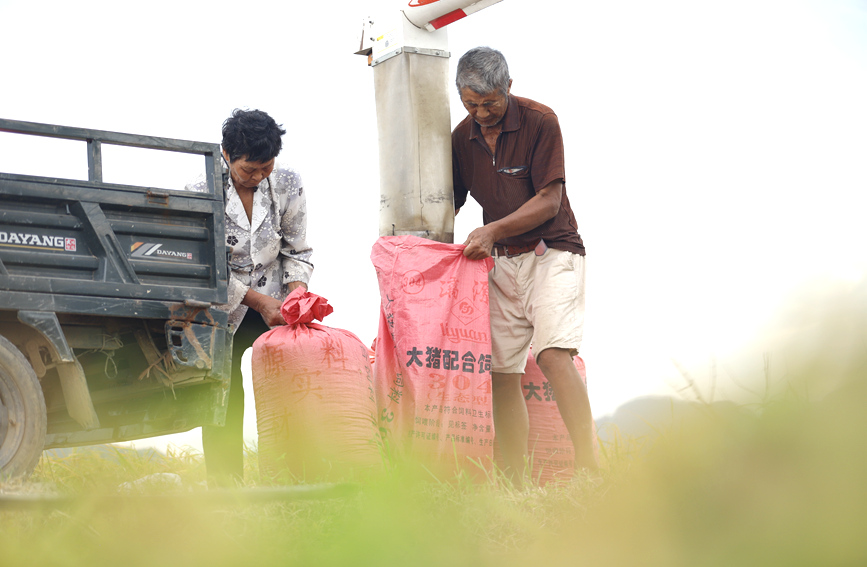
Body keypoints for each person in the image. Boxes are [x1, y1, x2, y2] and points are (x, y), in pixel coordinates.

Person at [451, 47, 598, 482]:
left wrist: (493, 230)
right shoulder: (462, 137)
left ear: (508, 88)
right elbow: (449, 202)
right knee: (501, 371)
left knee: (553, 356)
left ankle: (589, 469)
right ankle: (514, 483)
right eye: (471, 103)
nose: (481, 112)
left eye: (489, 103)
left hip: (551, 251)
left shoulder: (540, 121)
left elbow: (549, 201)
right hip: (500, 263)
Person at [186, 108, 313, 486]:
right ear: (226, 155)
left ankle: (294, 478)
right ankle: (227, 488)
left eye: (265, 168)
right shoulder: (201, 189)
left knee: (292, 381)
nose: (257, 177)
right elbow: (206, 268)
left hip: (276, 301)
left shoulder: (288, 183)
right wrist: (257, 302)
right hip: (227, 307)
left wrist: (297, 295)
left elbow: (297, 250)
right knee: (223, 393)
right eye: (248, 170)